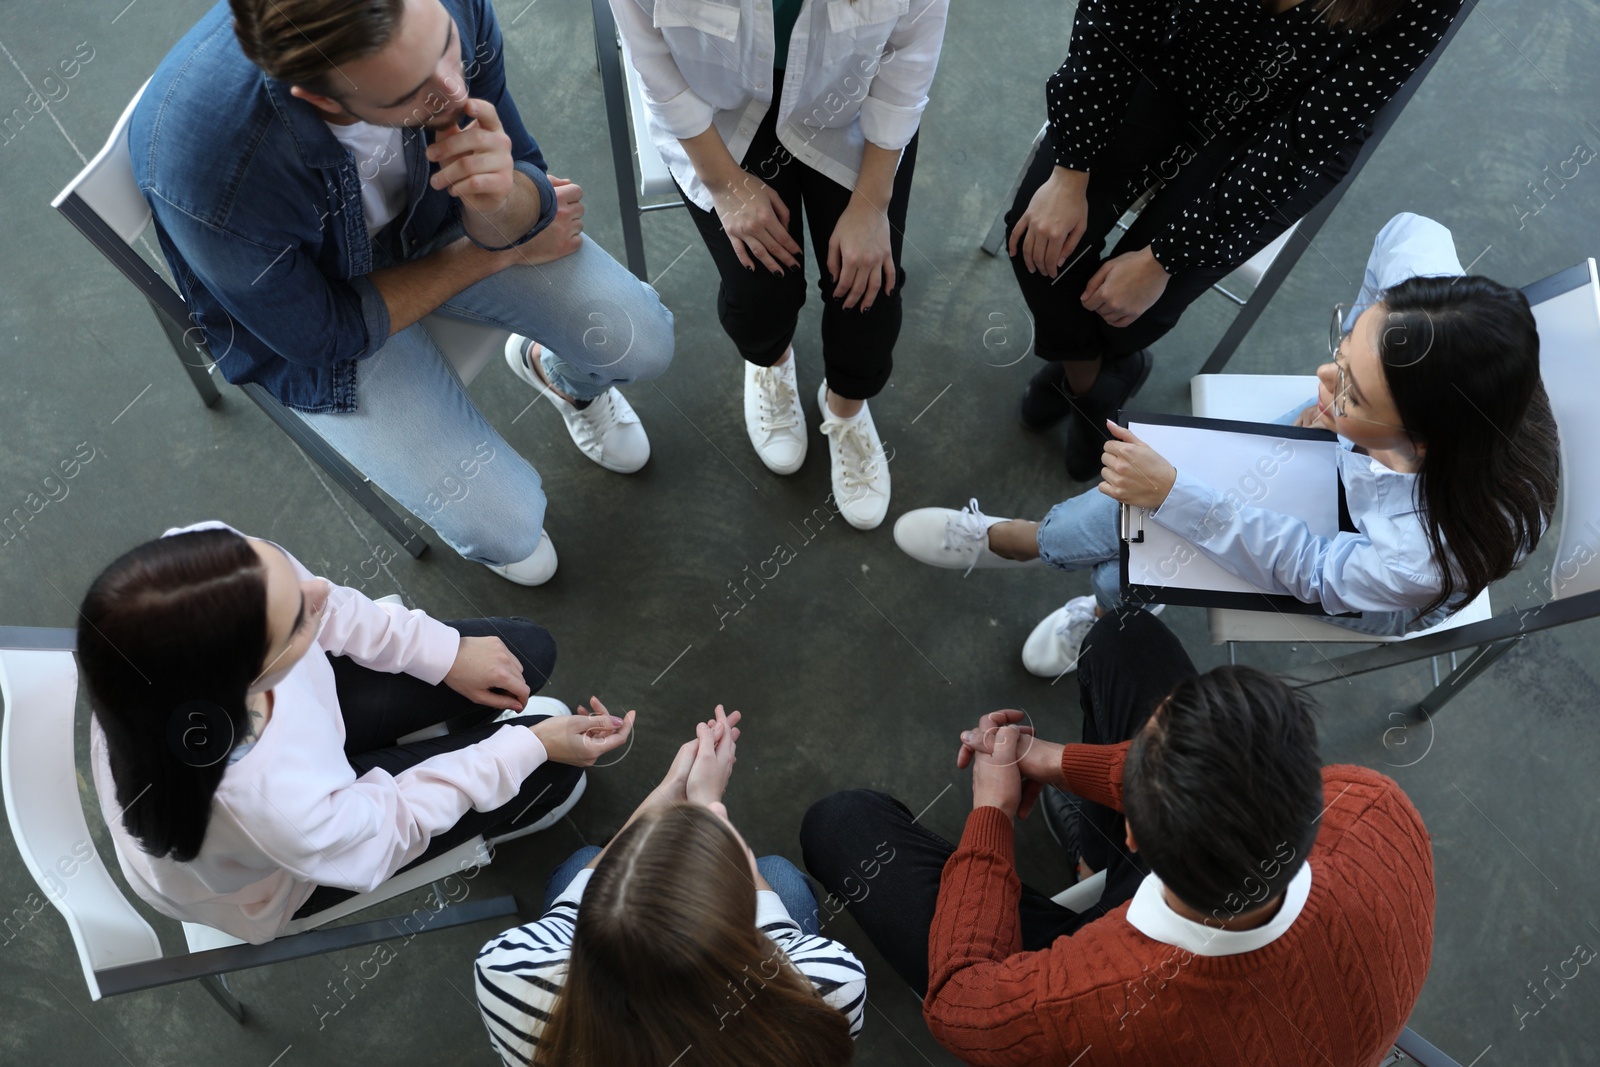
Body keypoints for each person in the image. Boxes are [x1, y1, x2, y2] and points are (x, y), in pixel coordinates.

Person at [131, 0, 677, 586]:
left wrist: (499, 198)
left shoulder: (445, 15)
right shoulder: (211, 177)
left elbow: (523, 178)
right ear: (321, 100)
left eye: (444, 41)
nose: (452, 86)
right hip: (322, 301)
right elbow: (323, 335)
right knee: (511, 529)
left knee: (643, 342)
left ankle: (559, 377)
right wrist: (497, 253)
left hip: (433, 215)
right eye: (409, 92)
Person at [896, 213, 1559, 676]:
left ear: (1418, 438)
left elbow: (1309, 570)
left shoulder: (1420, 555)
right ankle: (1032, 546)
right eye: (1342, 354)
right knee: (1141, 523)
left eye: (1351, 390)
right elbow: (1412, 231)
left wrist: (1174, 495)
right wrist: (1349, 388)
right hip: (1349, 465)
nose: (1323, 378)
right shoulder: (1429, 321)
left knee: (1145, 539)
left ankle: (1060, 570)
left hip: (1355, 579)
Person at [801, 609, 1436, 1066]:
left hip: (1126, 989)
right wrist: (1054, 760)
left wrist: (990, 812)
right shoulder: (1372, 806)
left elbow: (963, 1008)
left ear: (1136, 829)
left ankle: (1092, 871)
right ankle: (1090, 861)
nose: (1130, 750)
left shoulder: (1102, 1000)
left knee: (839, 825)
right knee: (1122, 636)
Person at [79, 520, 635, 944]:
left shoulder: (204, 568)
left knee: (526, 656)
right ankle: (507, 804)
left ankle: (464, 750)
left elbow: (321, 602)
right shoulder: (275, 807)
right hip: (289, 864)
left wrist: (442, 654)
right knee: (552, 768)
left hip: (297, 774)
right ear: (241, 680)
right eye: (297, 620)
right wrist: (529, 744)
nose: (319, 588)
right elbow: (394, 826)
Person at [1007, 0, 1465, 480]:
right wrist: (1071, 167)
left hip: (1285, 134)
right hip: (1178, 53)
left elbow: (1304, 138)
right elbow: (1118, 15)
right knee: (1039, 241)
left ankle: (1086, 369)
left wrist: (1165, 255)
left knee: (1138, 309)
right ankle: (1092, 388)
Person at [611, 0, 949, 529]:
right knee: (758, 288)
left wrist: (870, 204)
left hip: (850, 103)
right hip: (719, 112)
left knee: (868, 296)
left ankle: (845, 407)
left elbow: (911, 56)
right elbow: (650, 56)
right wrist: (723, 182)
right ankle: (771, 362)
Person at [476, 707, 865, 1066]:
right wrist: (709, 807)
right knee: (778, 876)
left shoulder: (507, 974)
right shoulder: (831, 988)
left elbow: (569, 910)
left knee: (582, 862)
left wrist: (670, 791)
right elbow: (777, 935)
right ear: (734, 929)